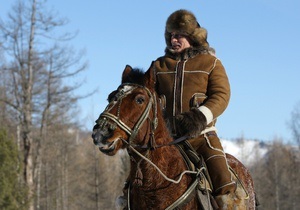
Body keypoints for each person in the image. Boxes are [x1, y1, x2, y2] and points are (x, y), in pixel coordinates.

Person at [146, 9, 236, 201]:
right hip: (165, 140)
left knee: (224, 182)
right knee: (137, 180)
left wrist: (200, 117)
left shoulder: (211, 63)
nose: (173, 40)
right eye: (171, 35)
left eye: (178, 35)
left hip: (201, 137)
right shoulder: (158, 65)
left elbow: (222, 95)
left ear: (192, 36)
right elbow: (145, 96)